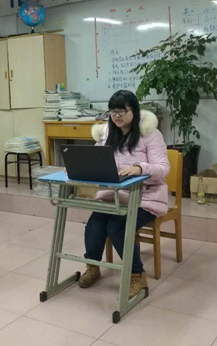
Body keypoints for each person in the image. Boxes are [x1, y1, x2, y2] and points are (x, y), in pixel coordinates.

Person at [78, 90, 170, 298]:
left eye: (122, 111)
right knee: (95, 223)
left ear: (134, 111)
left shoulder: (150, 134)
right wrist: (84, 167)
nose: (116, 116)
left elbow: (163, 168)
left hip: (145, 197)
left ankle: (137, 276)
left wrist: (140, 168)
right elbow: (95, 159)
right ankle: (92, 266)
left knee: (117, 227)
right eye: (113, 111)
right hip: (114, 196)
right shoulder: (108, 134)